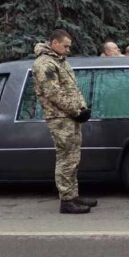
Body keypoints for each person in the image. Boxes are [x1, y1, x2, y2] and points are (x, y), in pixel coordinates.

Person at [33, 29, 95, 214]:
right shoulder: (44, 64)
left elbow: (71, 89)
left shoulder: (59, 61)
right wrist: (76, 111)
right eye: (65, 46)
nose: (68, 49)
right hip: (60, 118)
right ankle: (67, 201)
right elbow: (53, 93)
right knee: (66, 159)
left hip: (69, 116)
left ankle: (73, 196)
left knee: (73, 158)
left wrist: (81, 108)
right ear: (54, 43)